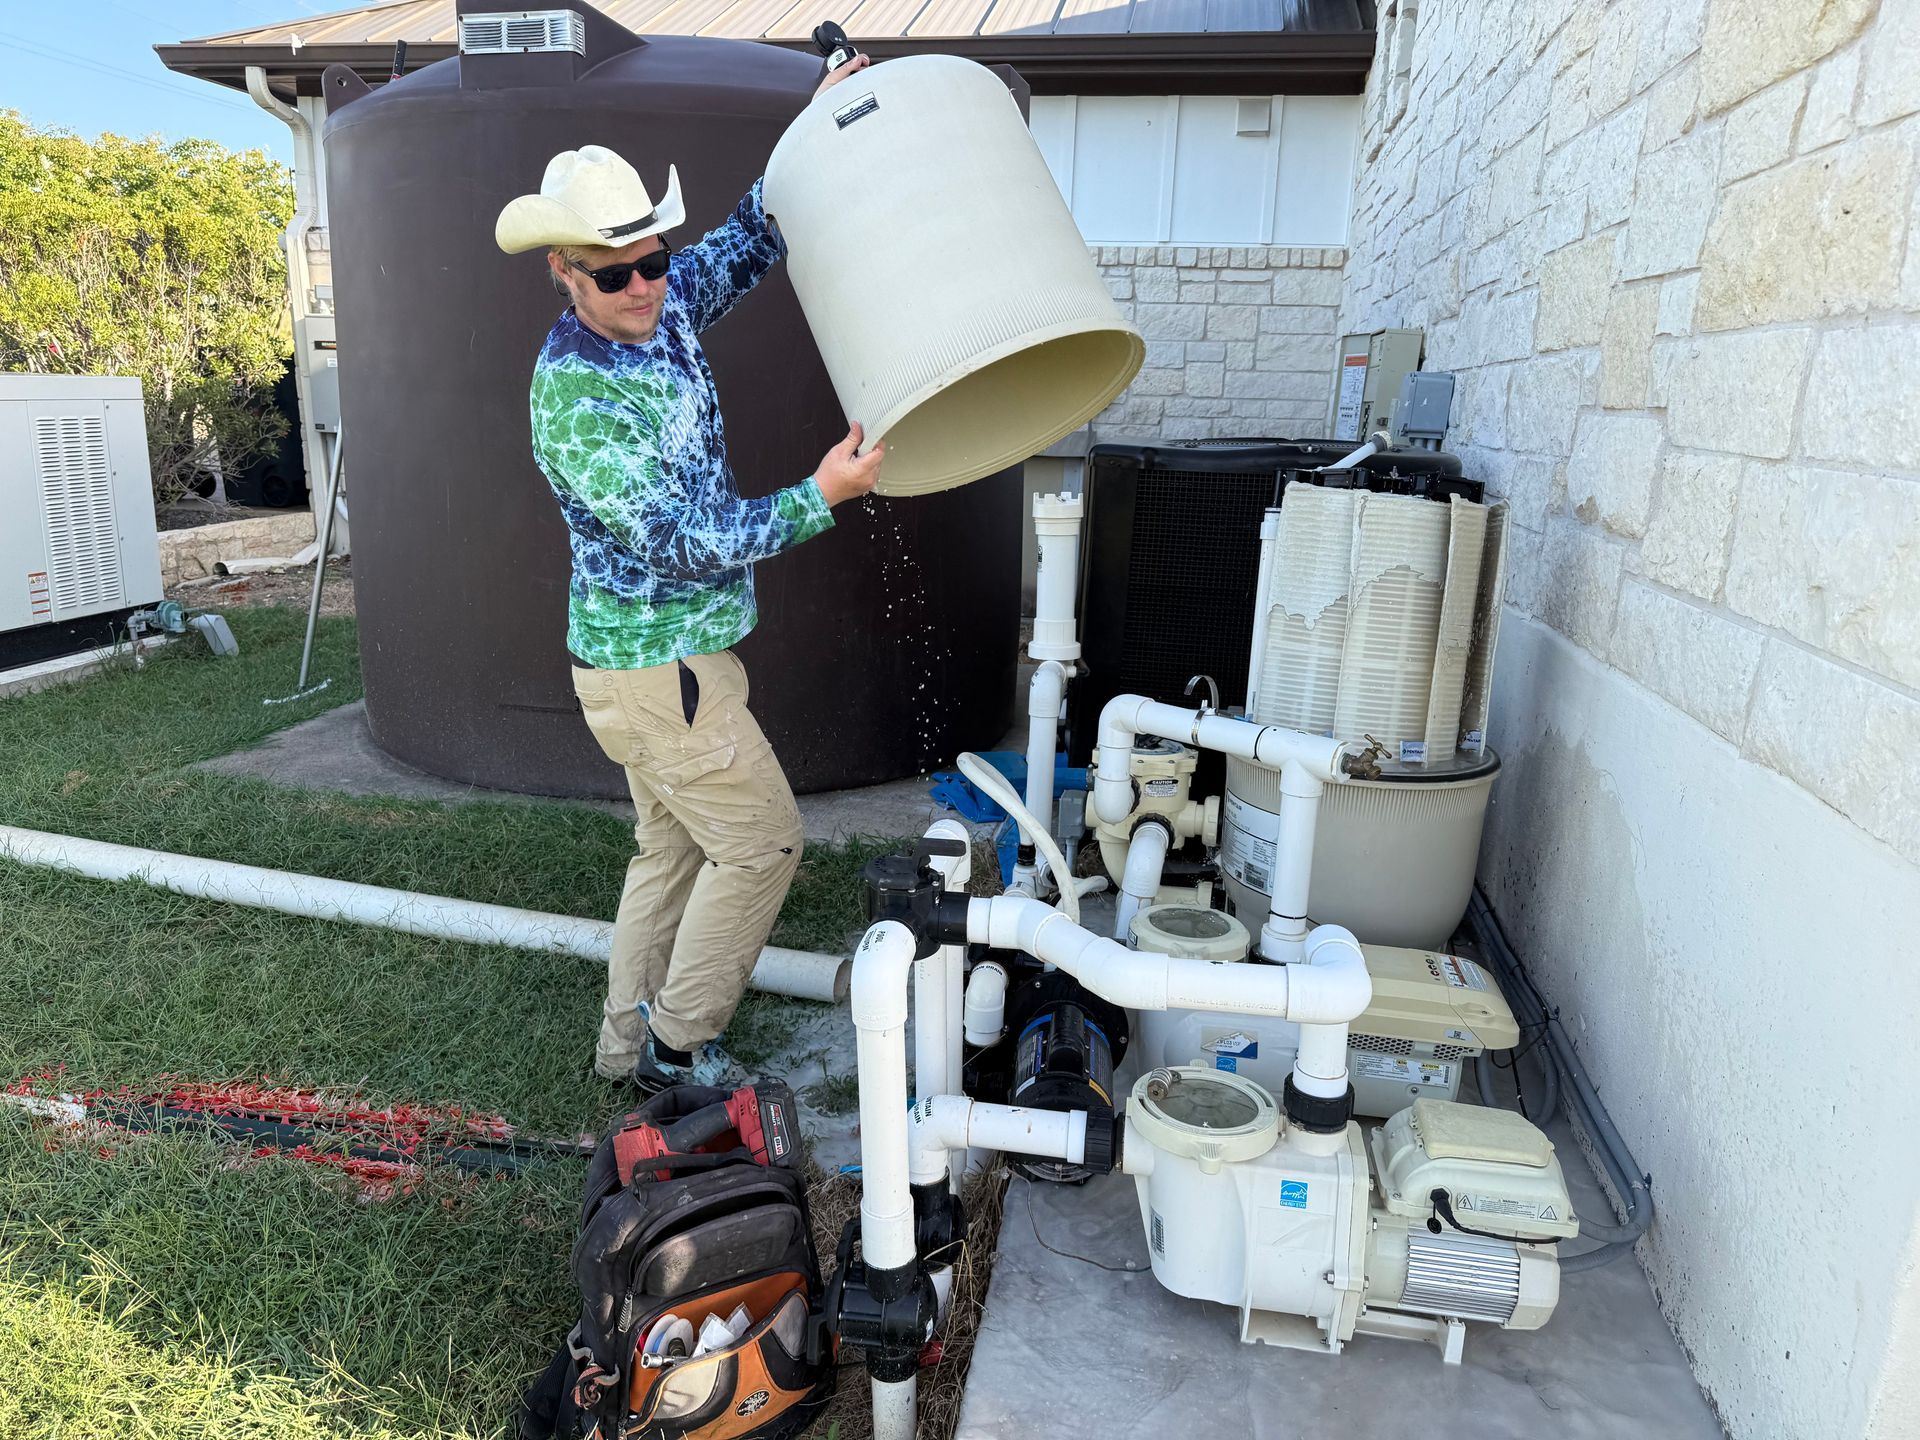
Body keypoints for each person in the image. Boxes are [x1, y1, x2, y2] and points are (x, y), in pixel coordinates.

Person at [495, 56, 881, 1092]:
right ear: (564, 275)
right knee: (762, 848)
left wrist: (822, 115)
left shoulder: (658, 305)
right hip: (654, 672)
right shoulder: (577, 397)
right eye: (613, 274)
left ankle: (623, 1052)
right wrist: (822, 495)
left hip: (670, 661)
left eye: (652, 262)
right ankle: (675, 1050)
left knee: (666, 856)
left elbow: (747, 240)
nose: (646, 287)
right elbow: (687, 538)